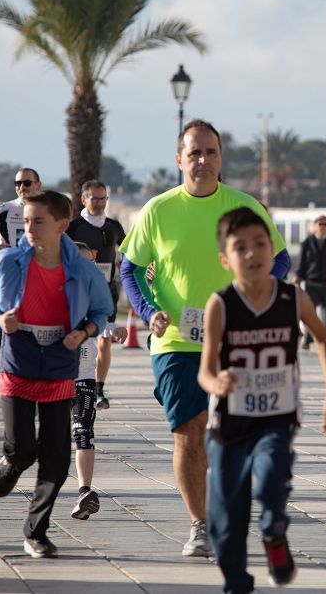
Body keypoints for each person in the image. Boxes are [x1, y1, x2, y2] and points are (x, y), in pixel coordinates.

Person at [120, 119, 290, 557]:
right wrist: (148, 310)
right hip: (175, 339)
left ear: (220, 158)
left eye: (210, 152)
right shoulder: (157, 210)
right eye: (194, 153)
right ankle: (200, 525)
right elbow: (131, 269)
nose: (202, 160)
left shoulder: (244, 206)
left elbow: (281, 260)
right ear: (179, 160)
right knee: (187, 431)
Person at [199, 207, 326, 594]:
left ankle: (274, 532)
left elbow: (325, 339)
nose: (252, 254)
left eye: (260, 244)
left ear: (274, 250)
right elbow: (205, 369)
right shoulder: (221, 304)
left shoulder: (291, 298)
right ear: (225, 260)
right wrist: (217, 383)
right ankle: (237, 585)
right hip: (228, 426)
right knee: (225, 524)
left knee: (272, 481)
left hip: (276, 419)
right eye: (240, 247)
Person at [0, 190, 112, 558]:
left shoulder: (82, 269)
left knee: (56, 457)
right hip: (18, 358)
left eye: (39, 221)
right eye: (27, 221)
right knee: (23, 448)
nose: (29, 228)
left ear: (62, 225)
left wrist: (84, 332)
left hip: (59, 362)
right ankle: (11, 462)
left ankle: (36, 531)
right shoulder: (7, 262)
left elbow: (102, 310)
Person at [68, 240, 128, 520]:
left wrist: (115, 330)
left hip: (83, 378)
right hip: (51, 380)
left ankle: (84, 491)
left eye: (91, 263)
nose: (87, 269)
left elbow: (103, 319)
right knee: (49, 439)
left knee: (83, 432)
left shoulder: (96, 294)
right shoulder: (55, 290)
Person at [67, 180, 126, 410]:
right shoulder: (74, 226)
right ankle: (74, 384)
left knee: (104, 341)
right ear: (84, 200)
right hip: (79, 291)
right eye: (95, 198)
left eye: (103, 198)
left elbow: (128, 251)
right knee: (81, 338)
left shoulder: (114, 226)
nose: (100, 203)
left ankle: (99, 389)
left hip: (107, 289)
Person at [0, 168, 42, 382]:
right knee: (9, 318)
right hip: (12, 276)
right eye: (17, 183)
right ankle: (4, 366)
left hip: (41, 275)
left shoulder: (47, 209)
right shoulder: (5, 210)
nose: (22, 188)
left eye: (27, 183)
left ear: (38, 184)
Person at [296, 215, 326, 349]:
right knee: (308, 314)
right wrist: (297, 279)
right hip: (311, 283)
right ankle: (307, 338)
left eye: (325, 224)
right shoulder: (307, 242)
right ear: (315, 226)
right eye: (320, 224)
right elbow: (301, 264)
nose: (322, 227)